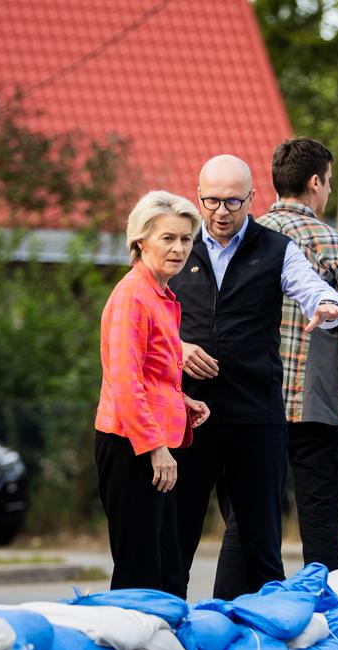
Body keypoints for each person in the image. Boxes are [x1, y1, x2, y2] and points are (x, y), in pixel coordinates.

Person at [170, 154, 338, 600]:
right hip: (187, 414)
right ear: (198, 196)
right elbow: (141, 322)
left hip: (255, 414)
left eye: (233, 203)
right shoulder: (178, 247)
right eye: (211, 202)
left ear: (253, 199)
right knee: (173, 539)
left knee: (260, 542)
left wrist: (325, 308)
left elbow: (312, 290)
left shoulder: (276, 249)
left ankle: (260, 639)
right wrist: (177, 349)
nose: (221, 213)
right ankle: (168, 630)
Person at [217, 137, 338, 573]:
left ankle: (237, 625)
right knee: (322, 536)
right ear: (314, 182)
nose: (328, 191)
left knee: (243, 528)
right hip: (318, 412)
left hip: (248, 406)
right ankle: (330, 630)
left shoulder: (241, 242)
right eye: (328, 182)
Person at [95, 191, 211, 595]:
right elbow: (124, 380)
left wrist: (182, 402)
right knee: (140, 572)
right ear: (141, 241)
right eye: (168, 238)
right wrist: (155, 447)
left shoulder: (161, 294)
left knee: (168, 570)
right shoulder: (133, 295)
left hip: (150, 441)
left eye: (186, 239)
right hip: (132, 447)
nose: (180, 248)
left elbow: (152, 375)